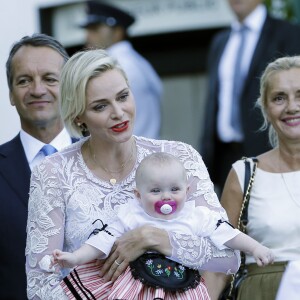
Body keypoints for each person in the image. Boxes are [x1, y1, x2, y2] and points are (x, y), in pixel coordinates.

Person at [25, 48, 240, 299]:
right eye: (100, 106)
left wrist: (152, 237)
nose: (118, 112)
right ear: (78, 115)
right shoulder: (52, 172)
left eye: (123, 96)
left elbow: (229, 257)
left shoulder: (181, 157)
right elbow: (40, 284)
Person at [52, 152, 273, 299]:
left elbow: (228, 234)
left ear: (187, 191)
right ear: (138, 195)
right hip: (136, 287)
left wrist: (255, 248)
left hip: (182, 285)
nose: (166, 197)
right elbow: (102, 239)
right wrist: (76, 258)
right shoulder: (133, 214)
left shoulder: (196, 216)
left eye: (174, 190)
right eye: (155, 191)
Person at [203, 55, 300, 300]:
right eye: (279, 98)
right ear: (266, 108)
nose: (291, 106)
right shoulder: (244, 174)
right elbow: (219, 263)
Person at [0, 33, 78, 300]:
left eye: (49, 78)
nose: (37, 89)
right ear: (11, 94)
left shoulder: (104, 157)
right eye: (24, 80)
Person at [201, 0, 300, 192]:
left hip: (271, 152)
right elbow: (213, 103)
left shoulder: (289, 34)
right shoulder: (220, 42)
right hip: (225, 157)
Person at [79, 0, 162, 139]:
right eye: (88, 30)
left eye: (95, 29)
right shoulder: (139, 62)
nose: (87, 36)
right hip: (143, 150)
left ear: (117, 31)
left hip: (127, 153)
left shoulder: (114, 66)